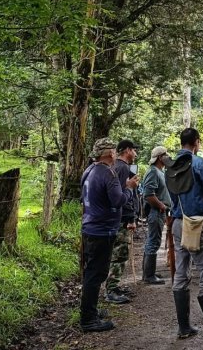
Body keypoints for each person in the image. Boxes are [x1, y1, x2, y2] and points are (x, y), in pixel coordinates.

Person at [169, 128, 203, 339]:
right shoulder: (199, 164)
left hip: (178, 223)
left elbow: (172, 198)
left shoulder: (171, 166)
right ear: (196, 143)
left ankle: (184, 327)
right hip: (198, 224)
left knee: (181, 273)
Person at [79, 138, 137, 332]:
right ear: (111, 153)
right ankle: (88, 319)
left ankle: (90, 310)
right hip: (102, 230)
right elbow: (117, 200)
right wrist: (129, 188)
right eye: (113, 150)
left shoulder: (89, 171)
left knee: (91, 272)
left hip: (89, 227)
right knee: (96, 274)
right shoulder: (108, 173)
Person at [104, 139, 140, 304]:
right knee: (120, 253)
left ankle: (114, 286)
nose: (135, 154)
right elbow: (125, 195)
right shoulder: (123, 167)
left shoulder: (115, 167)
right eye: (134, 150)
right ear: (127, 150)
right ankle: (111, 290)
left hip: (114, 217)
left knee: (118, 252)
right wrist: (130, 218)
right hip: (121, 218)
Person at [141, 145, 171, 285]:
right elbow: (148, 195)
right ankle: (149, 275)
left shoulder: (159, 171)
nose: (168, 157)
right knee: (153, 241)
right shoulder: (153, 172)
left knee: (154, 240)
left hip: (159, 211)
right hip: (155, 212)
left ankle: (149, 272)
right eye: (166, 155)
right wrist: (161, 205)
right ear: (160, 157)